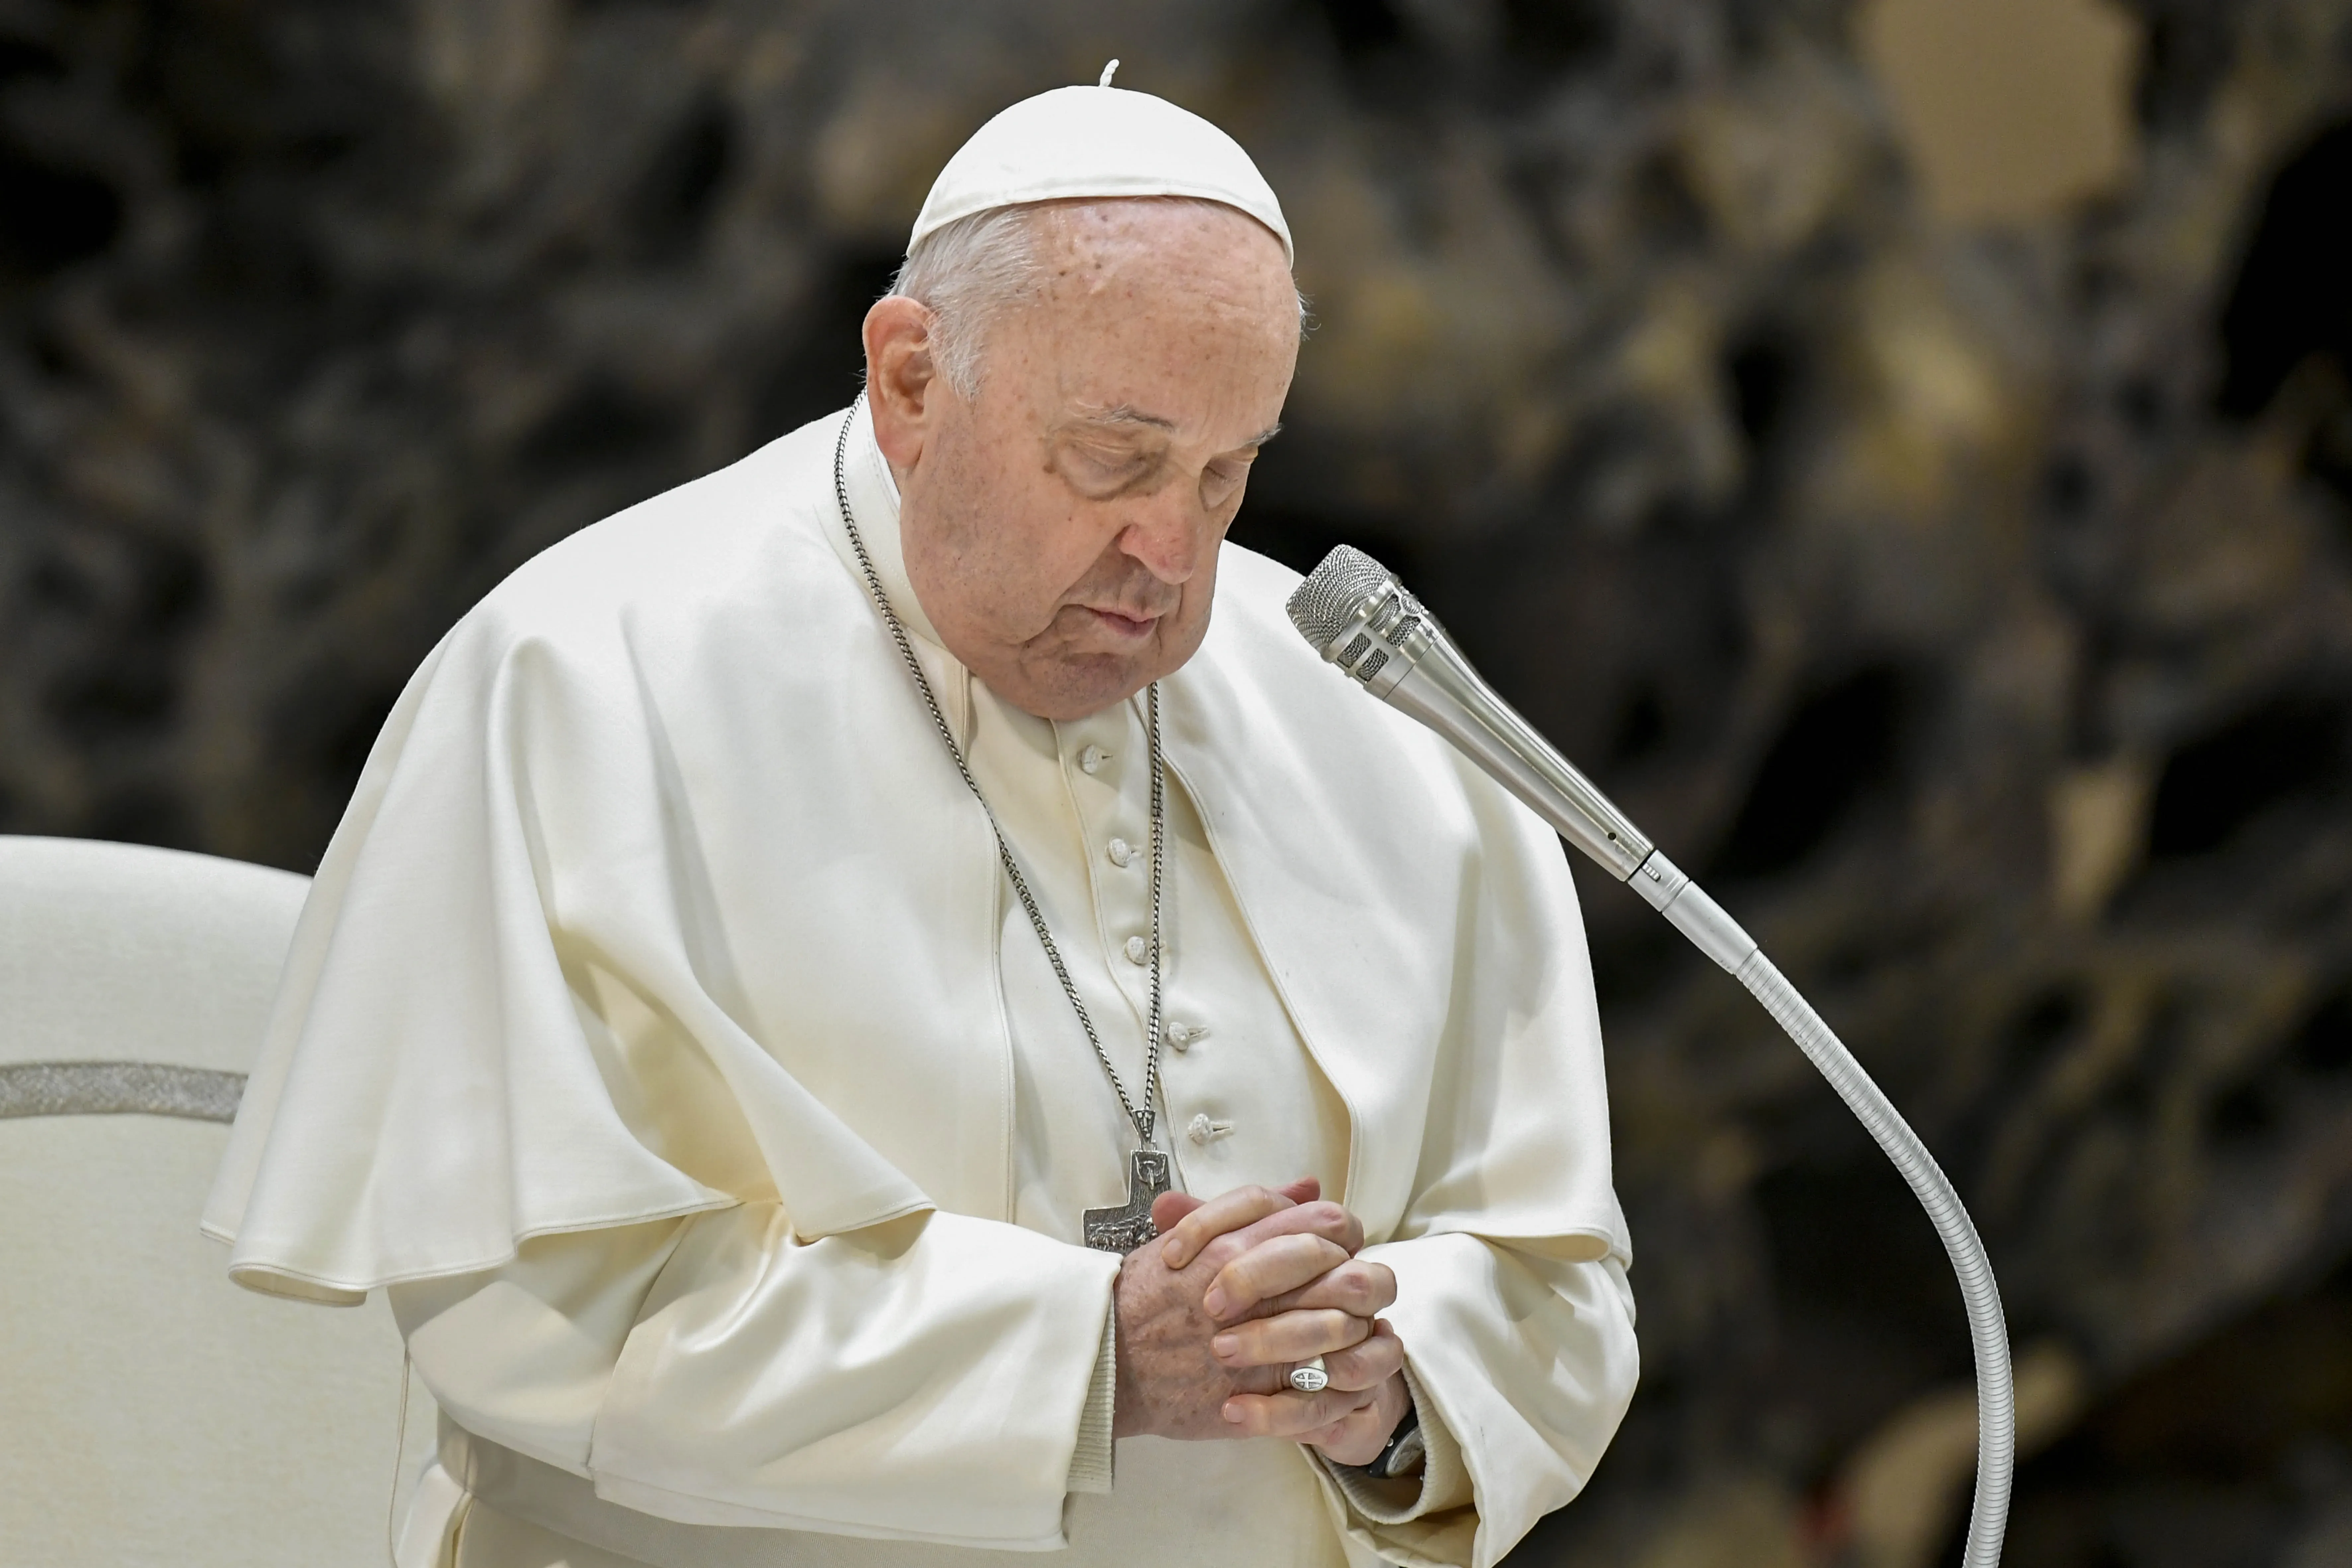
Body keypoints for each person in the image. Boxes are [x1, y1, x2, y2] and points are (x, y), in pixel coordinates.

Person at [204, 74, 1637, 1568]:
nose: (1170, 552)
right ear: (908, 382)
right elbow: (536, 1304)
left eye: (1227, 474)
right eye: (1115, 457)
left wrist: (1391, 1394)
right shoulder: (581, 675)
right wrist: (1090, 1357)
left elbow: (1557, 1280)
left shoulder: (1371, 717)